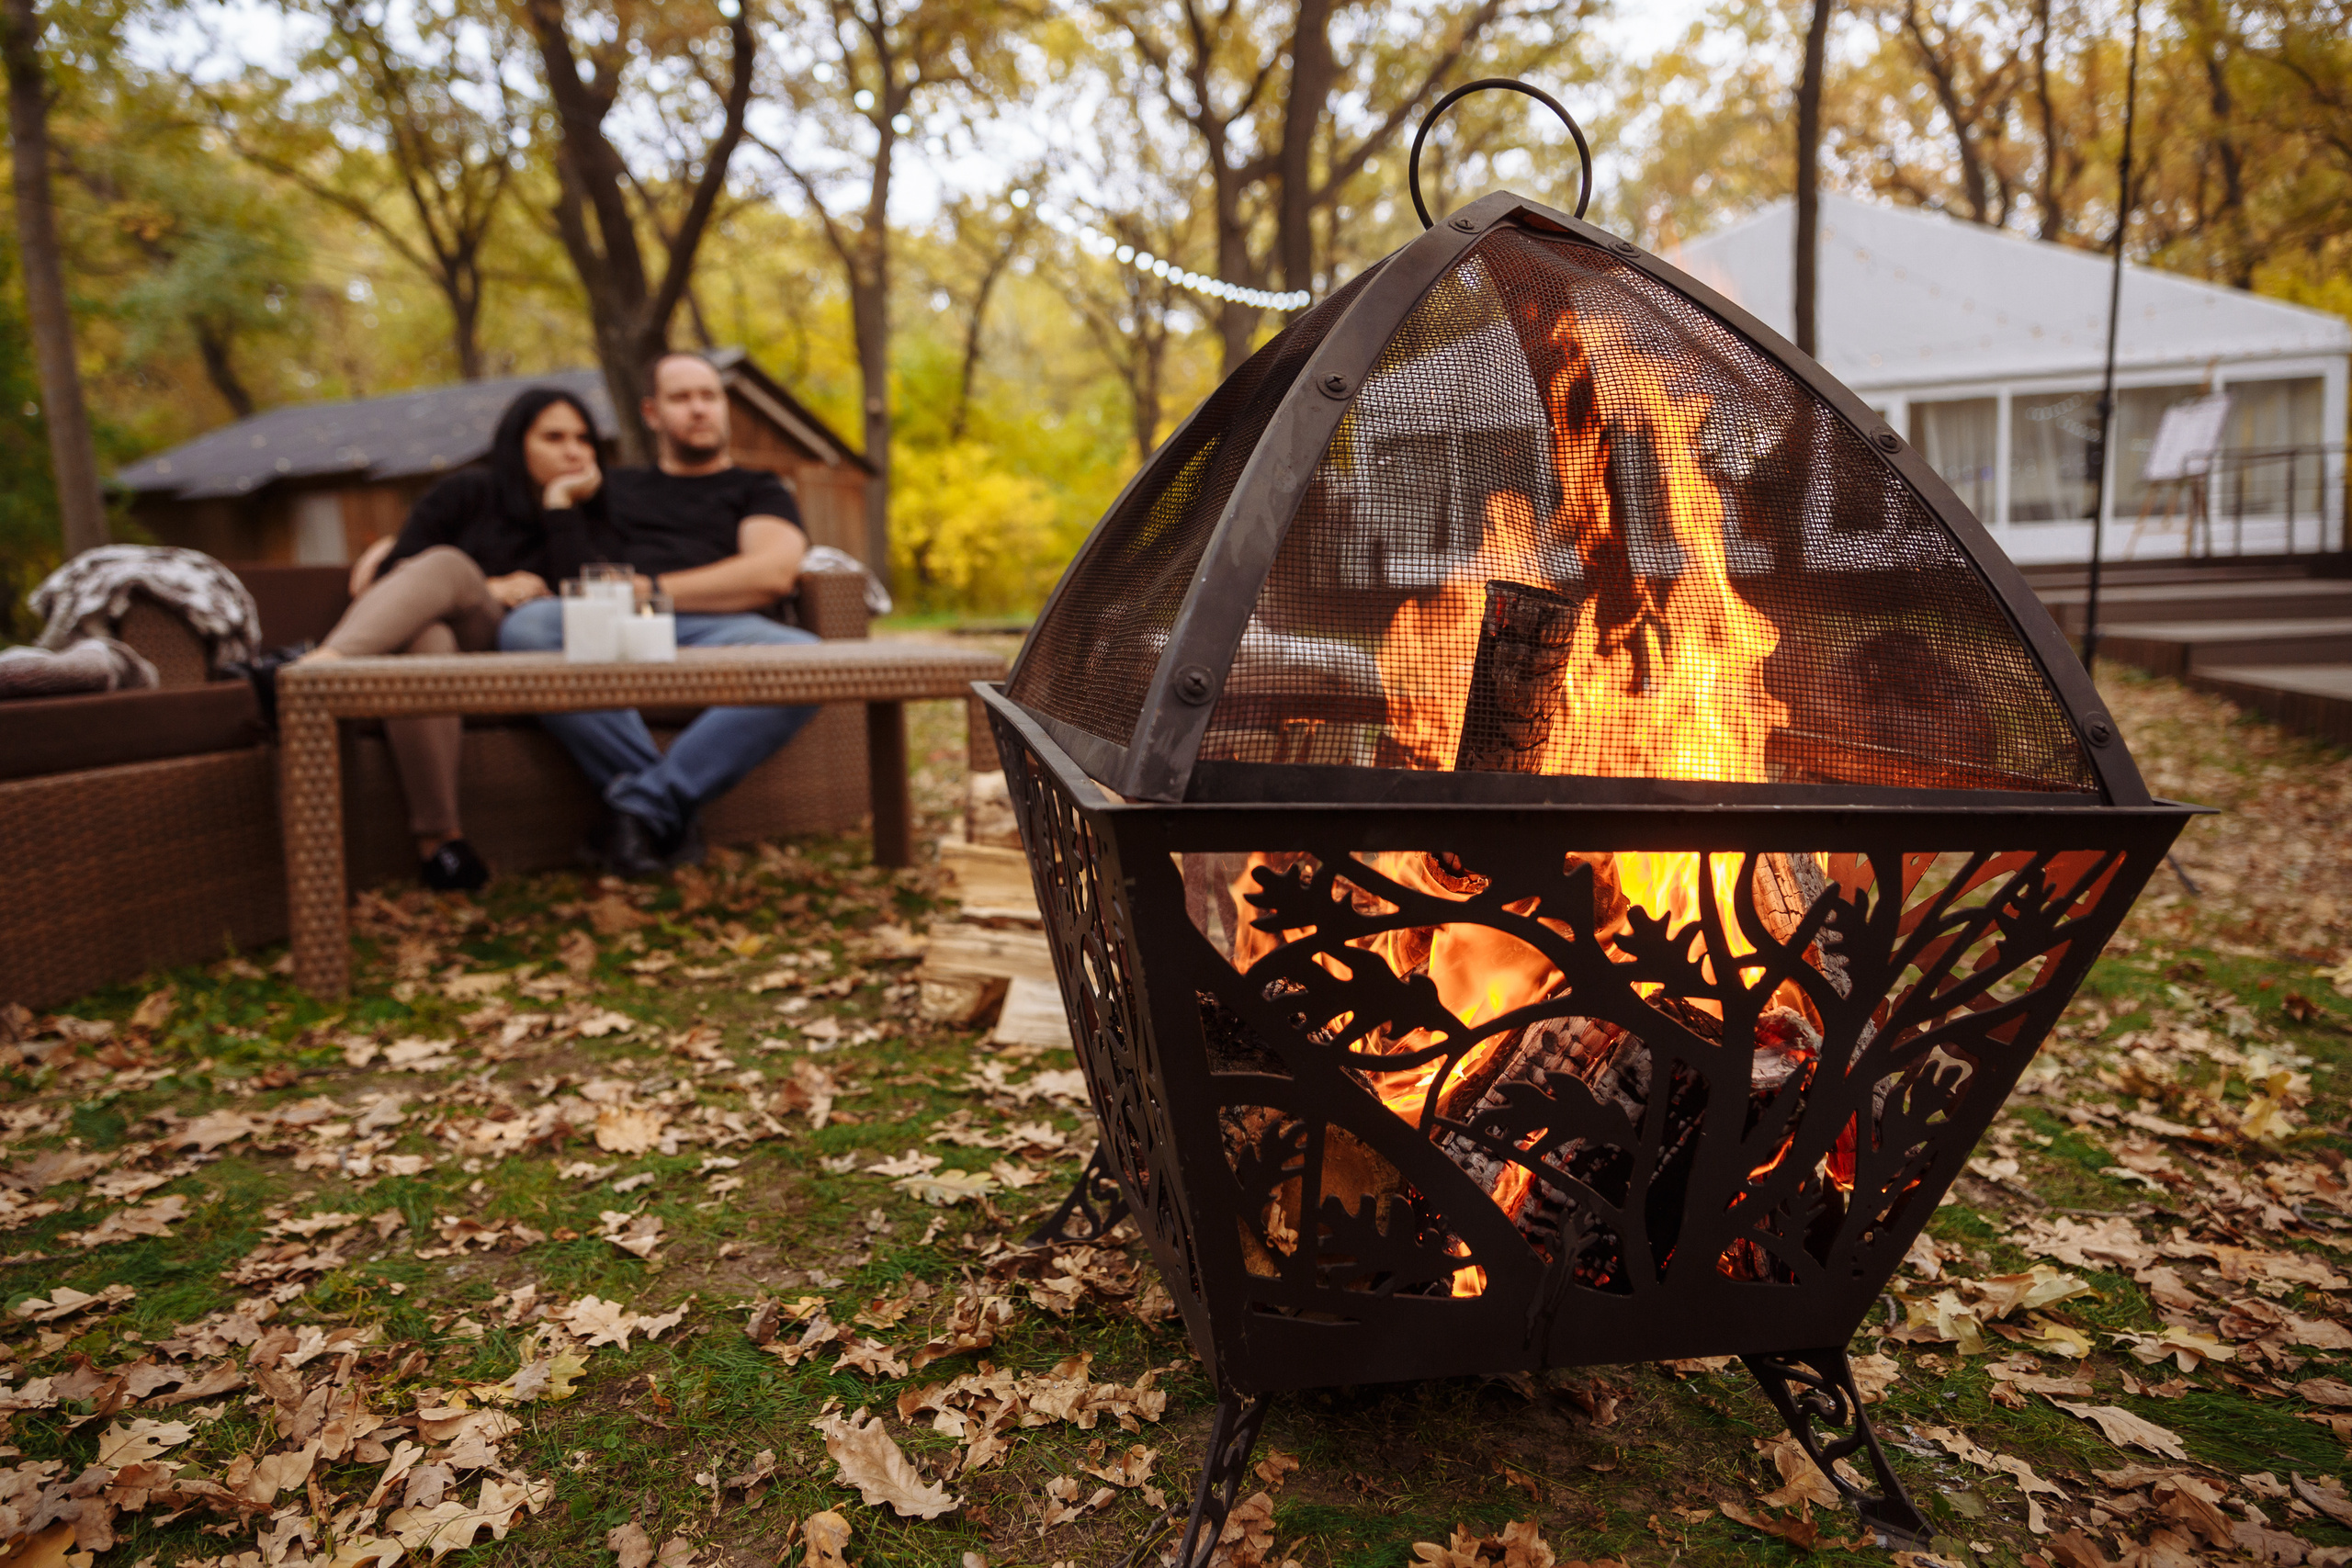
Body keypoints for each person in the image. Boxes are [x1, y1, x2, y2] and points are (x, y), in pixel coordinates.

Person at [497, 352, 815, 878]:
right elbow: (545, 552)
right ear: (651, 412)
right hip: (614, 626)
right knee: (529, 626)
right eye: (681, 398)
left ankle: (639, 809)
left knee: (805, 659)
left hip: (717, 628)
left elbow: (772, 572)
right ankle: (660, 810)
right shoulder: (610, 487)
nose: (699, 409)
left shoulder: (759, 488)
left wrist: (652, 589)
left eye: (709, 396)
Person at [302, 388, 609, 891]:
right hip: (446, 645)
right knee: (428, 634)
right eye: (554, 438)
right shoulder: (467, 493)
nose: (573, 451)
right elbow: (397, 574)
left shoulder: (593, 512)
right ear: (518, 443)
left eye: (583, 439)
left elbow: (585, 596)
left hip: (517, 649)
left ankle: (313, 671)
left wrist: (560, 507)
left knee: (448, 570)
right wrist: (492, 586)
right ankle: (442, 844)